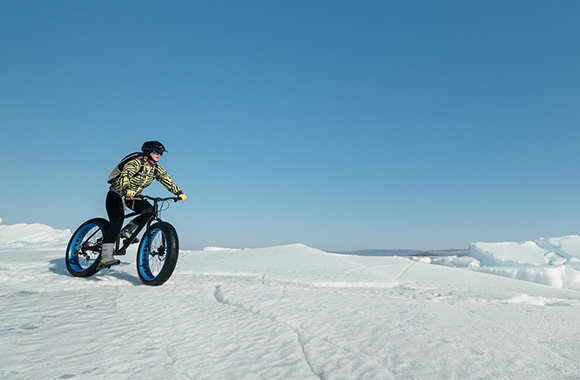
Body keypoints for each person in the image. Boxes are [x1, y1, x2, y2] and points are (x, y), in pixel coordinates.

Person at [101, 141, 187, 267]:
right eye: (156, 152)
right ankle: (105, 257)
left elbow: (166, 179)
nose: (159, 155)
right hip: (117, 195)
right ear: (148, 151)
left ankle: (128, 231)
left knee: (149, 211)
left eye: (161, 153)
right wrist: (126, 188)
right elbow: (125, 175)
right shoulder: (136, 163)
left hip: (133, 196)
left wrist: (178, 192)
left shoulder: (155, 169)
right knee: (116, 222)